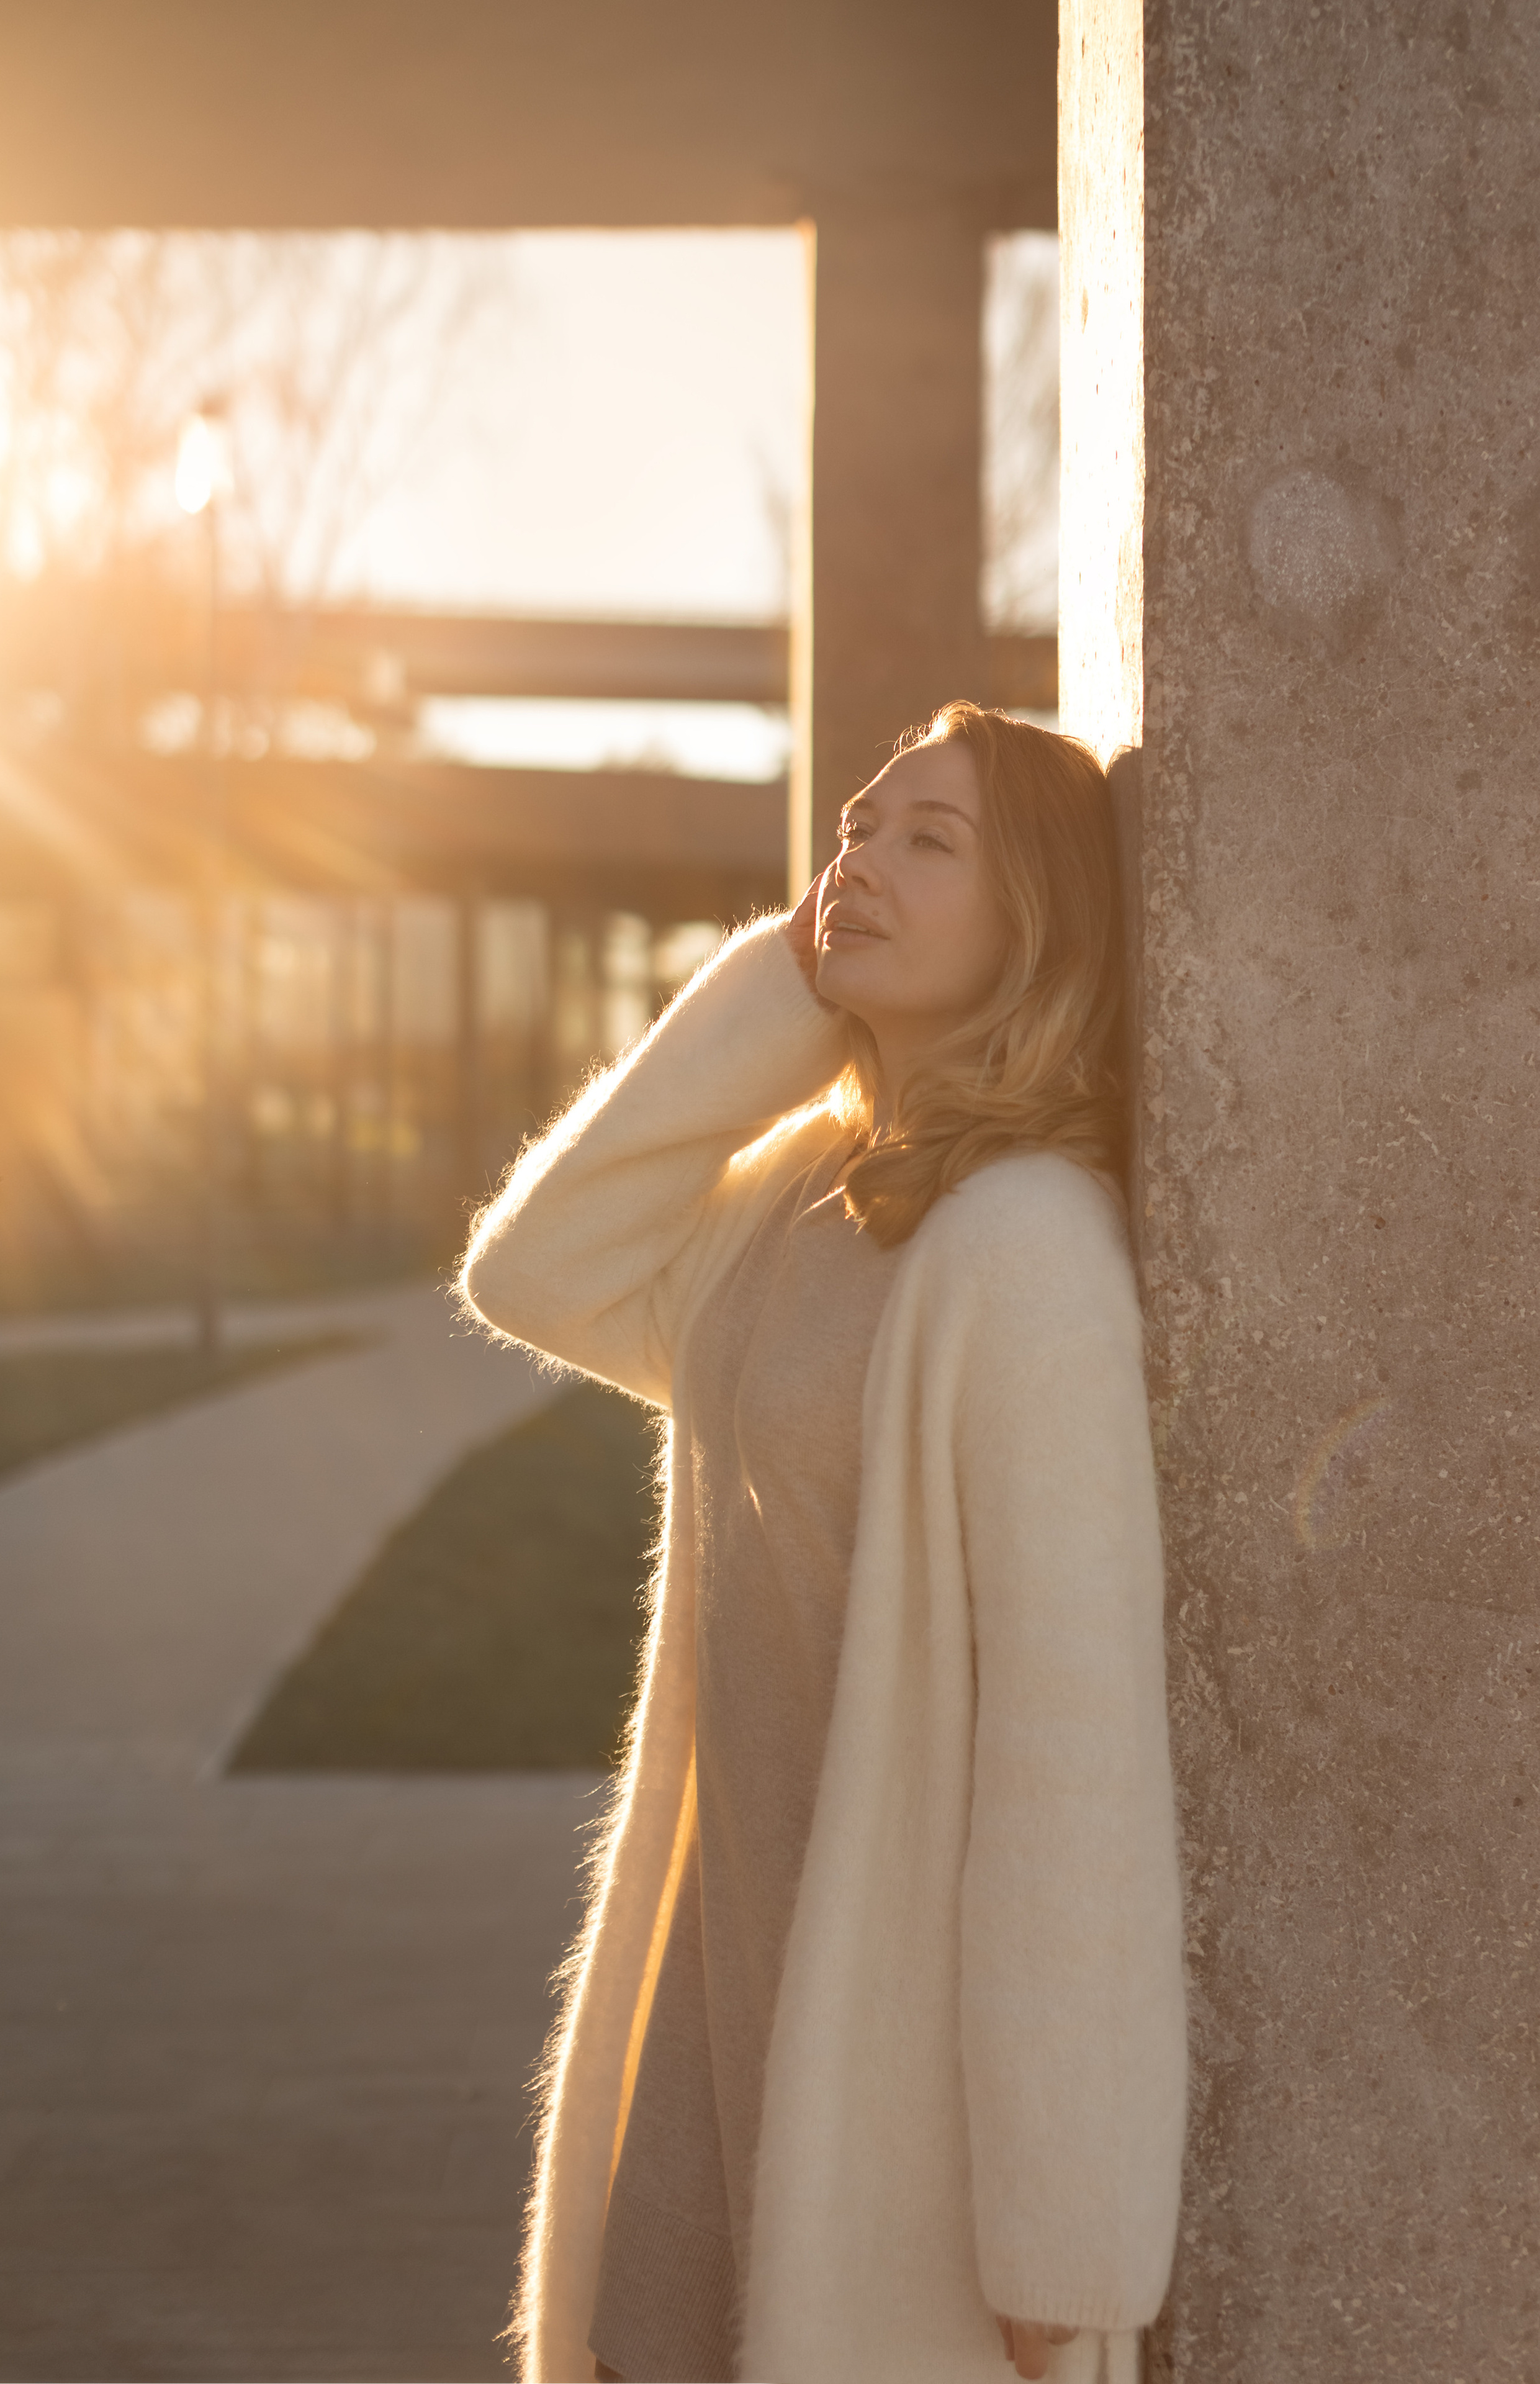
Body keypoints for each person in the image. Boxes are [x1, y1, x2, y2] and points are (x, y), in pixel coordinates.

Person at [459, 702, 1188, 2384]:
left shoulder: (1027, 1250)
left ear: (1048, 919)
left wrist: (1064, 2219)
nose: (860, 858)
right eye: (855, 831)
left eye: (932, 840)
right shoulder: (800, 1194)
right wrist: (785, 993)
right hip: (716, 1991)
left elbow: (1072, 1754)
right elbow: (537, 1272)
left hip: (890, 2076)